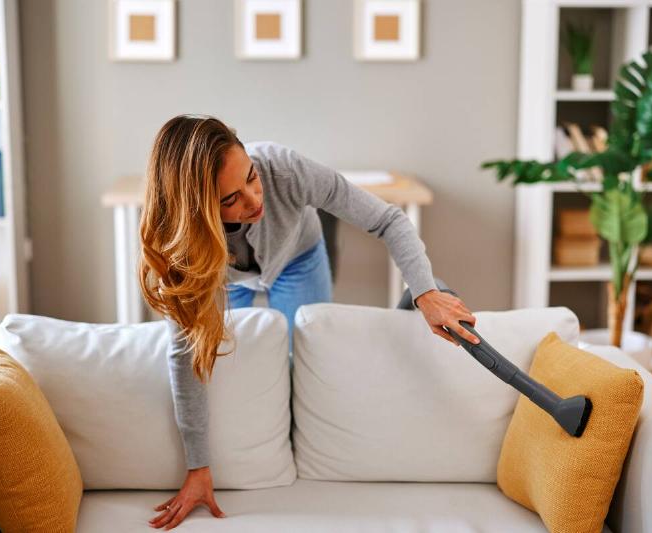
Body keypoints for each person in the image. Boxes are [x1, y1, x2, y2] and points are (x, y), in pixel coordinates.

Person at [138, 115, 480, 529]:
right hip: (225, 273)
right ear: (197, 209)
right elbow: (185, 354)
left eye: (251, 176)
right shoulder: (184, 249)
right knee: (245, 375)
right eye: (231, 198)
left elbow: (389, 219)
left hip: (298, 256)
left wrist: (425, 292)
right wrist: (198, 467)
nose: (253, 199)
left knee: (305, 364)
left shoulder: (283, 169)